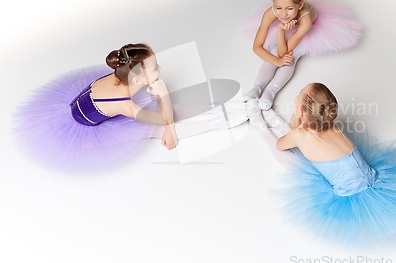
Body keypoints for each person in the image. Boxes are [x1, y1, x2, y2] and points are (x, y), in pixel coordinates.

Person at [245, 83, 396, 244]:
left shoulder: (301, 135)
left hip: (348, 193)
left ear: (303, 110)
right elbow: (296, 129)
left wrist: (295, 121)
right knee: (299, 142)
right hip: (373, 180)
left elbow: (281, 144)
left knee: (287, 157)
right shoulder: (332, 124)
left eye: (299, 93)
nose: (296, 94)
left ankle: (259, 124)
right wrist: (301, 118)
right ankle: (268, 116)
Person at [11, 43, 247, 171]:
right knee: (157, 128)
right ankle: (221, 121)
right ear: (136, 80)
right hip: (88, 123)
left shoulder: (125, 79)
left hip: (96, 101)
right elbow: (163, 121)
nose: (160, 69)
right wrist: (165, 105)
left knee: (165, 109)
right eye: (155, 68)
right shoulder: (124, 102)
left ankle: (221, 105)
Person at [241, 0, 362, 110]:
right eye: (278, 7)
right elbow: (257, 47)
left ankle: (272, 90)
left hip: (303, 29)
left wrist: (281, 30)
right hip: (288, 26)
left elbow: (284, 52)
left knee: (291, 56)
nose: (283, 14)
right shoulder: (271, 13)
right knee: (274, 53)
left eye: (289, 8)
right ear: (273, 3)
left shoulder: (305, 20)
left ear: (300, 4)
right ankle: (257, 87)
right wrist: (276, 61)